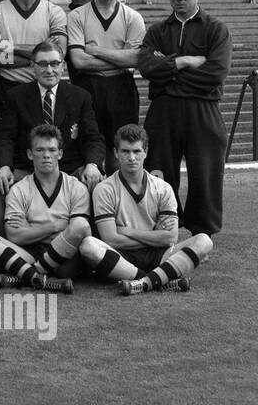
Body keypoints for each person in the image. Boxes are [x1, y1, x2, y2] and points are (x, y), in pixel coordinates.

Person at [136, 0, 231, 235]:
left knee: (205, 176)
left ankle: (203, 233)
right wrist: (184, 62)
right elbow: (146, 67)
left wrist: (167, 76)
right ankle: (168, 228)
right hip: (163, 113)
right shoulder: (157, 31)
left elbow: (215, 73)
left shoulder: (216, 29)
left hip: (204, 110)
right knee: (159, 173)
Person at [79, 124, 214, 295]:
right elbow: (111, 240)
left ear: (146, 152)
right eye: (125, 151)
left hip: (159, 255)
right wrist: (155, 236)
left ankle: (142, 283)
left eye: (136, 151)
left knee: (204, 240)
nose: (132, 157)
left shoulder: (163, 188)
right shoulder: (104, 189)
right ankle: (156, 281)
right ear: (115, 153)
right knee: (88, 246)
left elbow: (171, 237)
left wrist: (126, 231)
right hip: (121, 256)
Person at [0, 39, 104, 230]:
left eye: (54, 63)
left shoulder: (80, 96)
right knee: (0, 183)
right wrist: (3, 167)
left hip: (69, 167)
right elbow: (5, 137)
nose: (49, 70)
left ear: (63, 66)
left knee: (96, 180)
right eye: (42, 64)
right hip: (28, 167)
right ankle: (3, 242)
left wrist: (93, 165)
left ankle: (91, 242)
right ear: (33, 66)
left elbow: (93, 137)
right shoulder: (16, 96)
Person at [0, 124, 82, 293]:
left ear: (60, 153)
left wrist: (30, 227)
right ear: (30, 154)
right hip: (28, 253)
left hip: (63, 258)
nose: (46, 155)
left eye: (52, 150)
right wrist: (55, 226)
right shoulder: (19, 189)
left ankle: (25, 275)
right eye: (40, 150)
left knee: (80, 227)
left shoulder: (76, 187)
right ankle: (41, 280)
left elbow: (79, 231)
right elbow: (14, 235)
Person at [65, 0, 144, 171]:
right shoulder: (76, 16)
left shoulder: (133, 17)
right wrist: (120, 57)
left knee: (120, 148)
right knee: (88, 148)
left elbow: (134, 60)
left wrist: (97, 51)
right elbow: (79, 61)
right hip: (87, 87)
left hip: (122, 88)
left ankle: (117, 199)